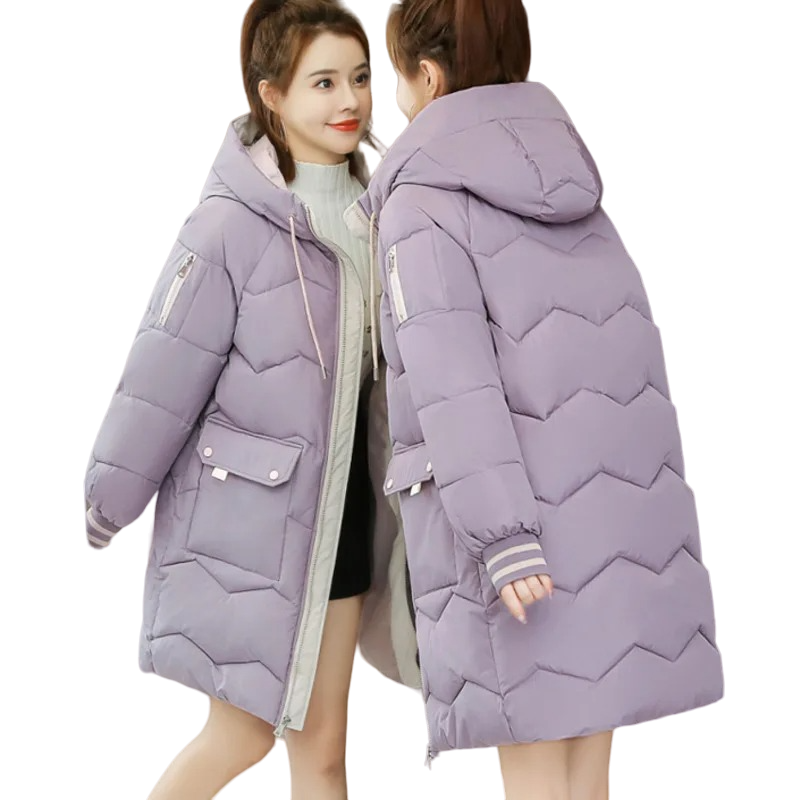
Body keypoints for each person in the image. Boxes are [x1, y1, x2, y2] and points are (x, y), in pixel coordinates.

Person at [342, 0, 725, 796]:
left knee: (540, 779)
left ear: (428, 76)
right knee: (585, 779)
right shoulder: (573, 191)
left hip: (521, 545)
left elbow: (453, 383)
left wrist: (504, 537)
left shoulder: (420, 203)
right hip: (610, 526)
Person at [83, 2, 388, 797]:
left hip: (346, 519)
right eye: (323, 82)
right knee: (241, 735)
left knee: (323, 753)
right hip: (256, 527)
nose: (349, 100)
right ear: (271, 95)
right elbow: (163, 369)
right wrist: (110, 495)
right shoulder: (229, 226)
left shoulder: (385, 213)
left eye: (359, 77)